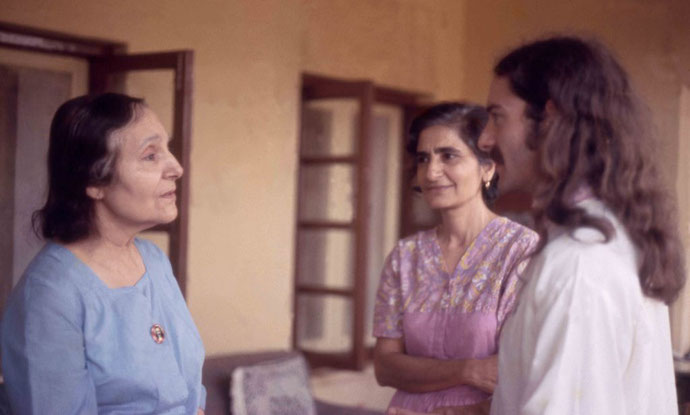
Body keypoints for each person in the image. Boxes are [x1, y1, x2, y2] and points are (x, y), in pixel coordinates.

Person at [477, 36, 686, 414]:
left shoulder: (579, 264)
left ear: (550, 119)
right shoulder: (603, 241)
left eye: (497, 115)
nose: (485, 138)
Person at [1, 93, 206, 414]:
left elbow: (190, 395)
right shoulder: (51, 296)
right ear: (93, 181)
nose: (176, 167)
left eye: (168, 148)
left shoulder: (154, 261)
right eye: (151, 156)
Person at [373, 102, 538, 414]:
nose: (432, 172)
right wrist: (468, 370)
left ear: (487, 168)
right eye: (424, 159)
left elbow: (522, 375)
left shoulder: (521, 252)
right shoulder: (405, 258)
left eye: (448, 156)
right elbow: (385, 367)